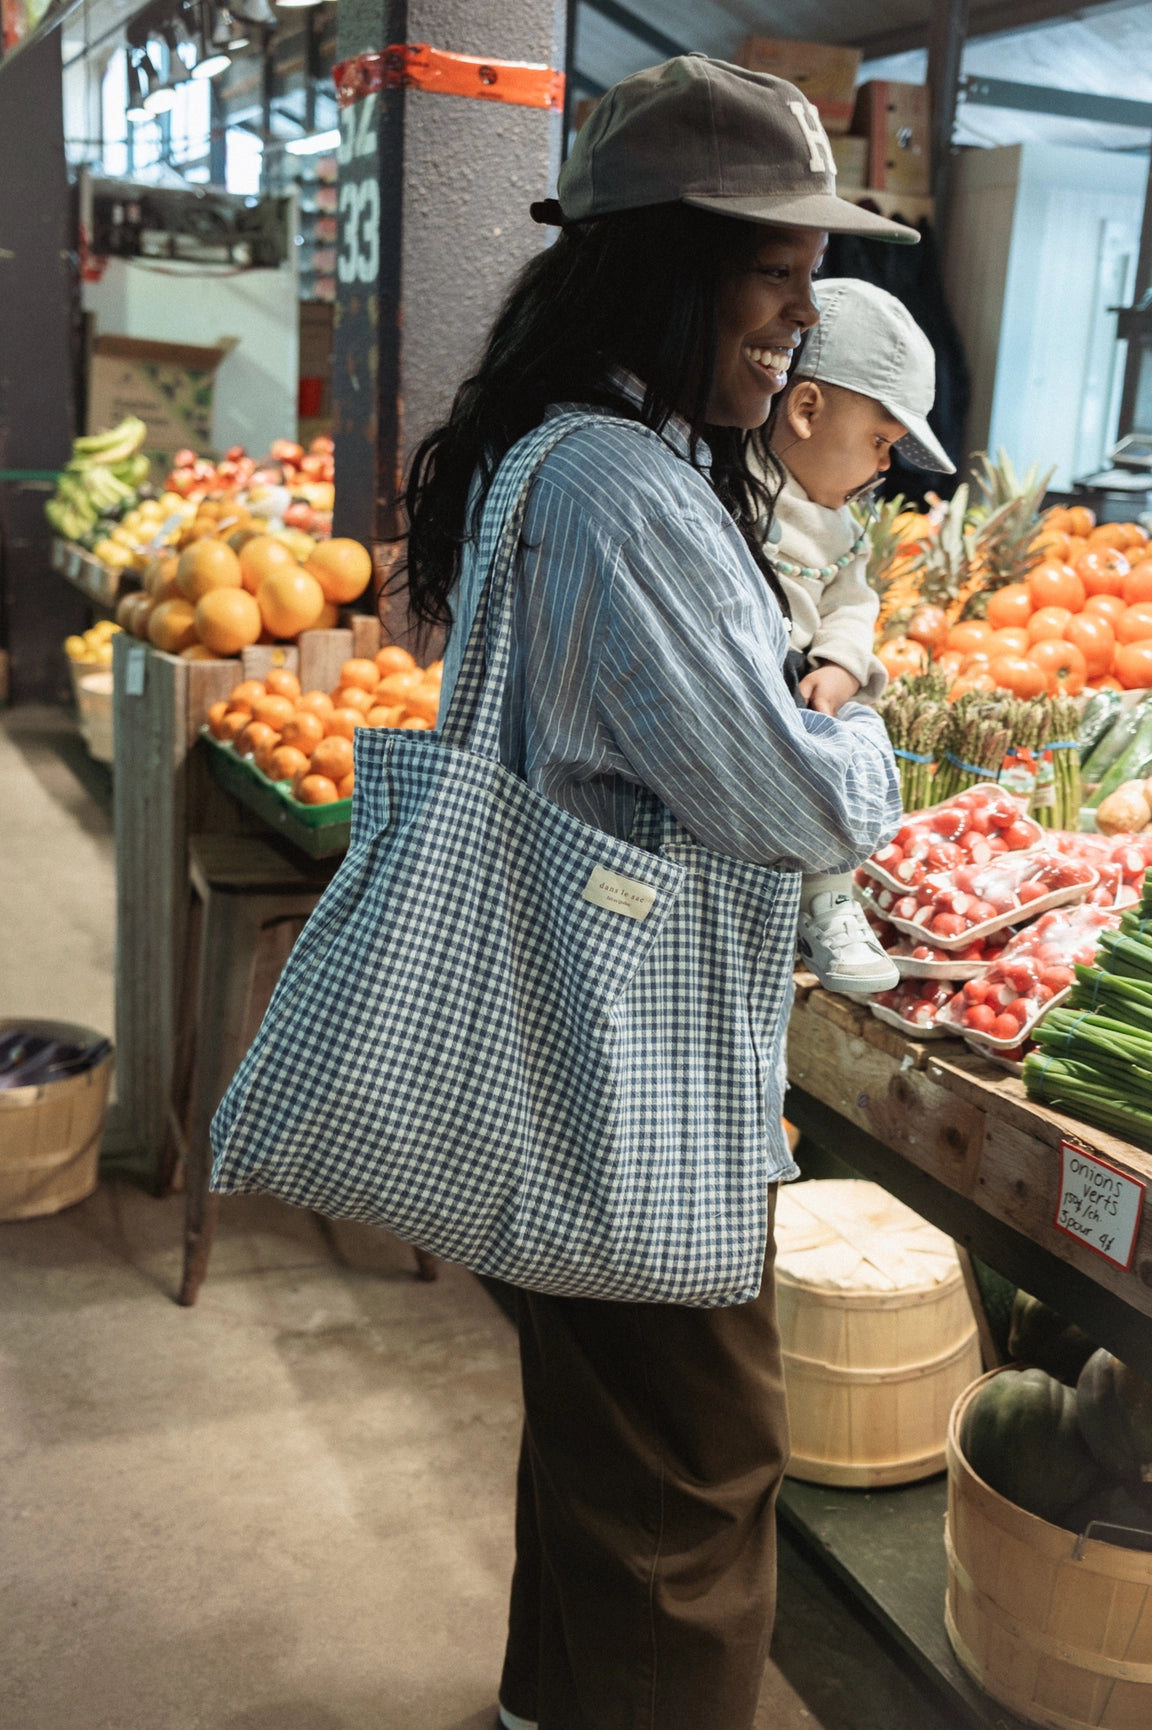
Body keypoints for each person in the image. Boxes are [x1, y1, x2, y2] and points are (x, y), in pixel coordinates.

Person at [401, 55, 912, 1730]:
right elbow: (780, 798)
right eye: (773, 276)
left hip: (549, 1050)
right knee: (697, 1491)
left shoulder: (549, 452)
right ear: (672, 262)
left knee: (611, 1473)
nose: (798, 316)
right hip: (638, 1086)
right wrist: (861, 735)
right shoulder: (627, 491)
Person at [759, 277, 956, 995]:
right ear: (806, 409)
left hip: (804, 690)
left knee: (839, 756)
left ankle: (832, 900)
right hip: (743, 687)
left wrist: (842, 665)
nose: (883, 466)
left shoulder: (846, 524)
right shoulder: (726, 483)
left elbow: (852, 602)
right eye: (879, 442)